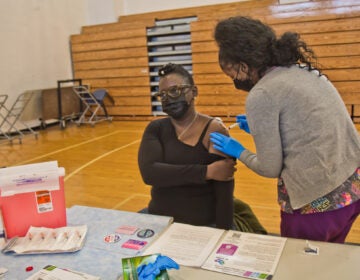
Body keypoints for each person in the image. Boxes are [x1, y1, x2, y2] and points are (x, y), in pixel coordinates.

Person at [210, 16, 360, 243]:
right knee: (326, 263)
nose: (235, 82)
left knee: (298, 268)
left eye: (233, 75)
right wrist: (259, 129)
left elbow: (270, 168)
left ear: (243, 65)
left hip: (317, 206)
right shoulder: (301, 71)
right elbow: (307, 127)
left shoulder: (262, 93)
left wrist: (239, 150)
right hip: (352, 190)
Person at [138, 63, 266, 233]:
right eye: (162, 94)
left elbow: (224, 193)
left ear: (194, 91)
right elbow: (150, 173)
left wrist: (223, 234)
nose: (168, 98)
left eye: (175, 90)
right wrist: (206, 172)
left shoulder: (214, 130)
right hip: (159, 221)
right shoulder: (156, 128)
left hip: (203, 226)